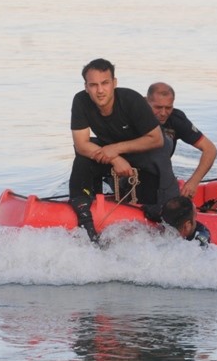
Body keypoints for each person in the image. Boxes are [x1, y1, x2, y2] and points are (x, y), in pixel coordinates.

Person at [69, 58, 178, 241]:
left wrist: (115, 149)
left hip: (148, 151)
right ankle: (85, 213)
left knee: (157, 210)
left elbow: (156, 139)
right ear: (86, 87)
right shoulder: (80, 101)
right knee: (83, 155)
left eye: (105, 83)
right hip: (114, 151)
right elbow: (81, 144)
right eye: (93, 85)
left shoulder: (131, 100)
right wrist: (114, 157)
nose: (100, 90)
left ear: (114, 83)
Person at [146, 82, 217, 198]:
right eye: (158, 107)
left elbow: (210, 149)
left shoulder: (176, 119)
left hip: (160, 176)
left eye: (168, 108)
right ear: (147, 102)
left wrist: (194, 181)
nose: (163, 113)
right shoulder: (133, 113)